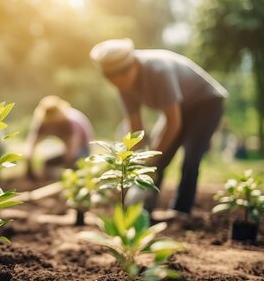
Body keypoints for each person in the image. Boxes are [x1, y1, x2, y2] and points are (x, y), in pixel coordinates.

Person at [90, 38, 227, 218]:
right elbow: (135, 129)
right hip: (179, 110)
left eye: (122, 74)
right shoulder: (122, 87)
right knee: (158, 158)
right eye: (111, 77)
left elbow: (173, 122)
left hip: (205, 103)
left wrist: (151, 161)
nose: (118, 81)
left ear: (132, 65)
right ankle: (144, 210)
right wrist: (135, 166)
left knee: (191, 156)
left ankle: (181, 211)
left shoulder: (158, 70)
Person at [24, 95, 94, 180]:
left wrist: (66, 167)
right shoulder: (42, 121)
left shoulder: (70, 122)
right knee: (48, 164)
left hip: (82, 147)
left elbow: (72, 150)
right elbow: (30, 147)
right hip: (66, 147)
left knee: (76, 167)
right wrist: (29, 166)